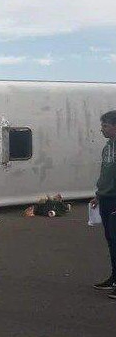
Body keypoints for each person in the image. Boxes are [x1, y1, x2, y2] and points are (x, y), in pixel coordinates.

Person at [91, 110, 116, 299]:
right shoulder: (107, 147)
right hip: (106, 198)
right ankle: (114, 278)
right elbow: (104, 172)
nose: (102, 130)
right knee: (111, 240)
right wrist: (98, 195)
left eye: (105, 126)